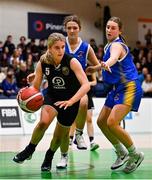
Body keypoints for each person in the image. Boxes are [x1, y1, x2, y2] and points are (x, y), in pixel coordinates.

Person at [13, 33, 90, 171]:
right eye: (57, 48)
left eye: (62, 47)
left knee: (59, 135)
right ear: (49, 48)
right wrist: (26, 96)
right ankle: (29, 150)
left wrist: (72, 101)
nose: (61, 51)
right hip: (52, 96)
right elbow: (36, 87)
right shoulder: (43, 62)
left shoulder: (72, 61)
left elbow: (86, 85)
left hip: (70, 100)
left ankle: (49, 156)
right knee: (43, 122)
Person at [86, 16, 144, 174]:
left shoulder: (117, 45)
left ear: (119, 31)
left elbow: (113, 58)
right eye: (107, 27)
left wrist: (106, 63)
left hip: (129, 86)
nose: (109, 30)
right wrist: (96, 68)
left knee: (112, 122)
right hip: (116, 88)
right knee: (101, 122)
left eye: (113, 28)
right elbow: (108, 61)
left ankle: (135, 154)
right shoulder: (108, 46)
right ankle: (121, 151)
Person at [56, 15, 101, 169]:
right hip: (61, 88)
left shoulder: (86, 48)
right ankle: (63, 156)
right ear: (65, 29)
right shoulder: (60, 44)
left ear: (79, 29)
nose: (72, 30)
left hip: (79, 87)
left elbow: (97, 65)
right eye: (69, 28)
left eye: (75, 27)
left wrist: (93, 68)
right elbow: (47, 59)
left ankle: (79, 134)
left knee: (83, 101)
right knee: (64, 125)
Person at [69, 72, 99, 151]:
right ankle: (70, 140)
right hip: (76, 93)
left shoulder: (89, 68)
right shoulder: (74, 65)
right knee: (74, 120)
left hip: (87, 94)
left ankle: (92, 141)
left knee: (89, 119)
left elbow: (95, 82)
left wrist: (86, 83)